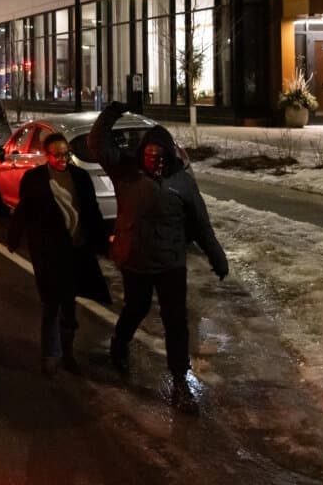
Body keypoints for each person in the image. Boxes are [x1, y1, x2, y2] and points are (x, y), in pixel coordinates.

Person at [89, 101, 229, 413]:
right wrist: (112, 112)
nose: (154, 161)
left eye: (160, 156)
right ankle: (119, 344)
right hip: (136, 260)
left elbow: (201, 224)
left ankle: (180, 382)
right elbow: (97, 143)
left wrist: (217, 257)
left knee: (175, 322)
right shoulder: (126, 173)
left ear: (169, 156)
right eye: (149, 155)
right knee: (136, 308)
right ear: (142, 154)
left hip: (170, 263)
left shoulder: (182, 183)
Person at [7, 133, 111, 377]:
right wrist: (14, 237)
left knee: (69, 304)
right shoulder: (35, 179)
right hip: (49, 253)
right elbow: (24, 211)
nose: (63, 159)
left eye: (66, 154)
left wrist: (103, 243)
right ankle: (50, 355)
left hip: (76, 250)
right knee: (51, 305)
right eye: (57, 155)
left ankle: (68, 353)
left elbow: (91, 211)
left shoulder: (80, 177)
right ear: (47, 155)